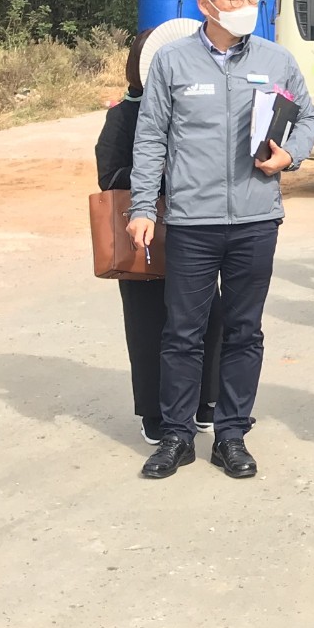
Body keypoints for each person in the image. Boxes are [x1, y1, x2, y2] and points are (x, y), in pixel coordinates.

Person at [127, 0, 314, 480]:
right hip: (192, 221)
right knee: (182, 333)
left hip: (257, 219)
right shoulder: (172, 63)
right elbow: (150, 139)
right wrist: (144, 206)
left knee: (243, 330)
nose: (246, 6)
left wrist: (291, 155)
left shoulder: (276, 60)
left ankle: (231, 435)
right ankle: (177, 435)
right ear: (206, 3)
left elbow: (307, 114)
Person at [95, 27, 224, 446]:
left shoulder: (195, 104)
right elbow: (110, 176)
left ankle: (206, 399)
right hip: (144, 236)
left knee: (208, 317)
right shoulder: (125, 114)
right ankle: (154, 411)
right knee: (149, 324)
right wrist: (158, 180)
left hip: (198, 228)